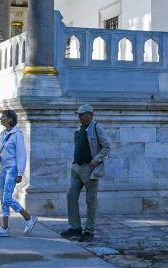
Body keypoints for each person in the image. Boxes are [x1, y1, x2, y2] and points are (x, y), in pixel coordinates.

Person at [61, 104, 111, 242]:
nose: (79, 116)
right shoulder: (80, 128)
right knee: (71, 196)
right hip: (77, 167)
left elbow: (107, 147)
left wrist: (95, 161)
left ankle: (89, 231)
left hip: (89, 169)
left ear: (90, 114)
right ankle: (75, 227)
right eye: (79, 114)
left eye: (82, 114)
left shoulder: (96, 127)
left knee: (90, 201)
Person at [0, 110, 38, 237]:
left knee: (7, 198)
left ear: (10, 120)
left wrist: (20, 172)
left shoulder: (17, 135)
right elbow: (5, 151)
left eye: (3, 117)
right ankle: (4, 228)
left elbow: (21, 155)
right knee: (2, 198)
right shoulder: (3, 133)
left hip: (12, 170)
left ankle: (28, 218)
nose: (1, 118)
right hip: (3, 168)